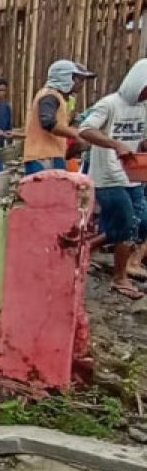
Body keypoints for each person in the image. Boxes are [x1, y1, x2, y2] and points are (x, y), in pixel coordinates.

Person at [79, 59, 147, 300]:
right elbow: (85, 130)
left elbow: (142, 139)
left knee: (137, 224)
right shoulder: (109, 105)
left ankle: (82, 253)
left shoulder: (144, 108)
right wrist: (114, 144)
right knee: (126, 226)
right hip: (107, 176)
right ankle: (120, 278)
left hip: (134, 176)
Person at [24, 59, 96, 174]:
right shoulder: (50, 96)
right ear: (66, 78)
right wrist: (76, 134)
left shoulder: (56, 97)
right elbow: (48, 122)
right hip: (44, 158)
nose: (81, 84)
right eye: (79, 79)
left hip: (52, 156)